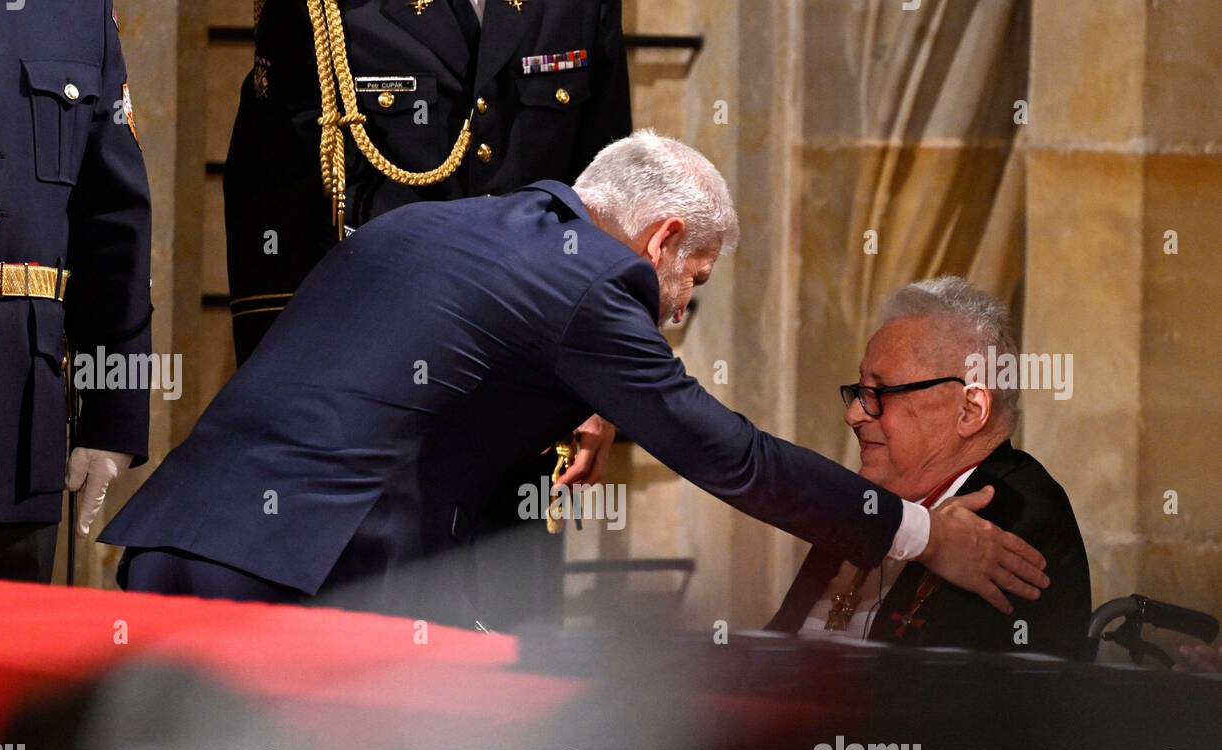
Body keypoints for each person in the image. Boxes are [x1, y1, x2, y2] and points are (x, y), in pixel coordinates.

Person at [99, 133, 1049, 626]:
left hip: (174, 541)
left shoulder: (431, 224)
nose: (675, 311)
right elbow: (731, 457)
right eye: (693, 285)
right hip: (290, 586)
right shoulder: (594, 285)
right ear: (664, 241)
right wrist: (918, 535)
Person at [224, 0, 633, 628]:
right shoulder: (326, 8)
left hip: (526, 406)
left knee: (512, 667)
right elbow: (272, 207)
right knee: (365, 664)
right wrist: (282, 404)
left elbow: (607, 204)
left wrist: (599, 388)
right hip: (367, 412)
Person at [0, 0, 152, 583]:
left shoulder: (76, 14)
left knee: (3, 661)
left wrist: (110, 419)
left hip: (18, 423)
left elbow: (112, 229)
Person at [767, 277, 1092, 659]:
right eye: (858, 392)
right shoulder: (869, 499)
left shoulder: (1020, 513)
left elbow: (946, 702)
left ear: (970, 411)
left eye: (879, 394)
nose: (853, 414)